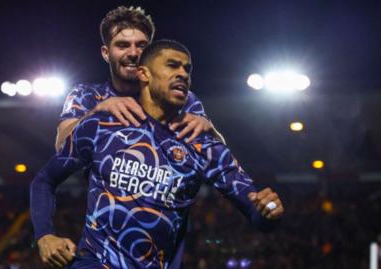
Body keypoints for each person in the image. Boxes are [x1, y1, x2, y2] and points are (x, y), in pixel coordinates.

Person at [31, 39, 284, 269]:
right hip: (96, 262)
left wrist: (267, 211)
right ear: (144, 74)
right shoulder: (103, 125)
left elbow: (256, 212)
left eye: (187, 69)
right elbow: (44, 180)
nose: (182, 74)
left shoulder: (202, 143)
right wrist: (45, 235)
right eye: (172, 66)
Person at [54, 6, 225, 153]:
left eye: (142, 45)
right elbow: (61, 146)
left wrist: (211, 132)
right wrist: (97, 111)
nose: (134, 53)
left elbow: (220, 161)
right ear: (106, 53)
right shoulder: (87, 95)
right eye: (122, 45)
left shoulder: (182, 98)